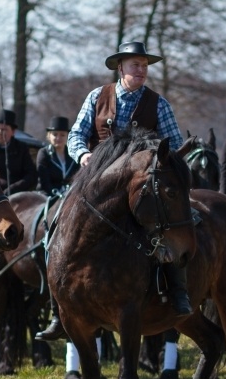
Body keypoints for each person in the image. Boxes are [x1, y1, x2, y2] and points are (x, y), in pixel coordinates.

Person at [38, 41, 188, 342]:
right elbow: (77, 135)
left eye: (144, 65)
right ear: (120, 68)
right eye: (135, 65)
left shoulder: (159, 104)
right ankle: (59, 310)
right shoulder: (97, 96)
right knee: (52, 226)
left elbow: (173, 145)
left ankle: (178, 292)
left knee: (168, 227)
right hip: (95, 185)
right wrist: (82, 154)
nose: (141, 70)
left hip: (139, 188)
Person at [0, 109, 38, 195]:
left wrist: (13, 189)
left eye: (4, 129)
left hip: (15, 197)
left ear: (13, 132)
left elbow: (31, 176)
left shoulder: (21, 148)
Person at [37, 116, 78, 195]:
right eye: (55, 135)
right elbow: (44, 181)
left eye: (62, 135)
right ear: (49, 136)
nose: (58, 138)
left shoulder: (73, 154)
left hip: (69, 195)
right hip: (48, 195)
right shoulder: (44, 153)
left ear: (67, 136)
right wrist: (57, 194)